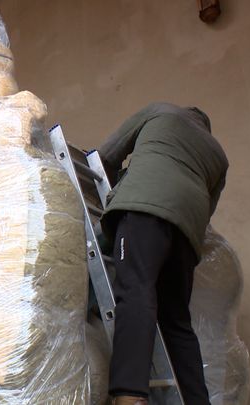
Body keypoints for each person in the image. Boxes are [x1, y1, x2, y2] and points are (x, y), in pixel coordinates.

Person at [98, 102, 228, 405]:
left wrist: (118, 184)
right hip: (188, 229)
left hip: (143, 206)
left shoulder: (161, 111)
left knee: (136, 291)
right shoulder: (219, 155)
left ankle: (129, 393)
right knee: (177, 322)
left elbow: (106, 154)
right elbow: (208, 210)